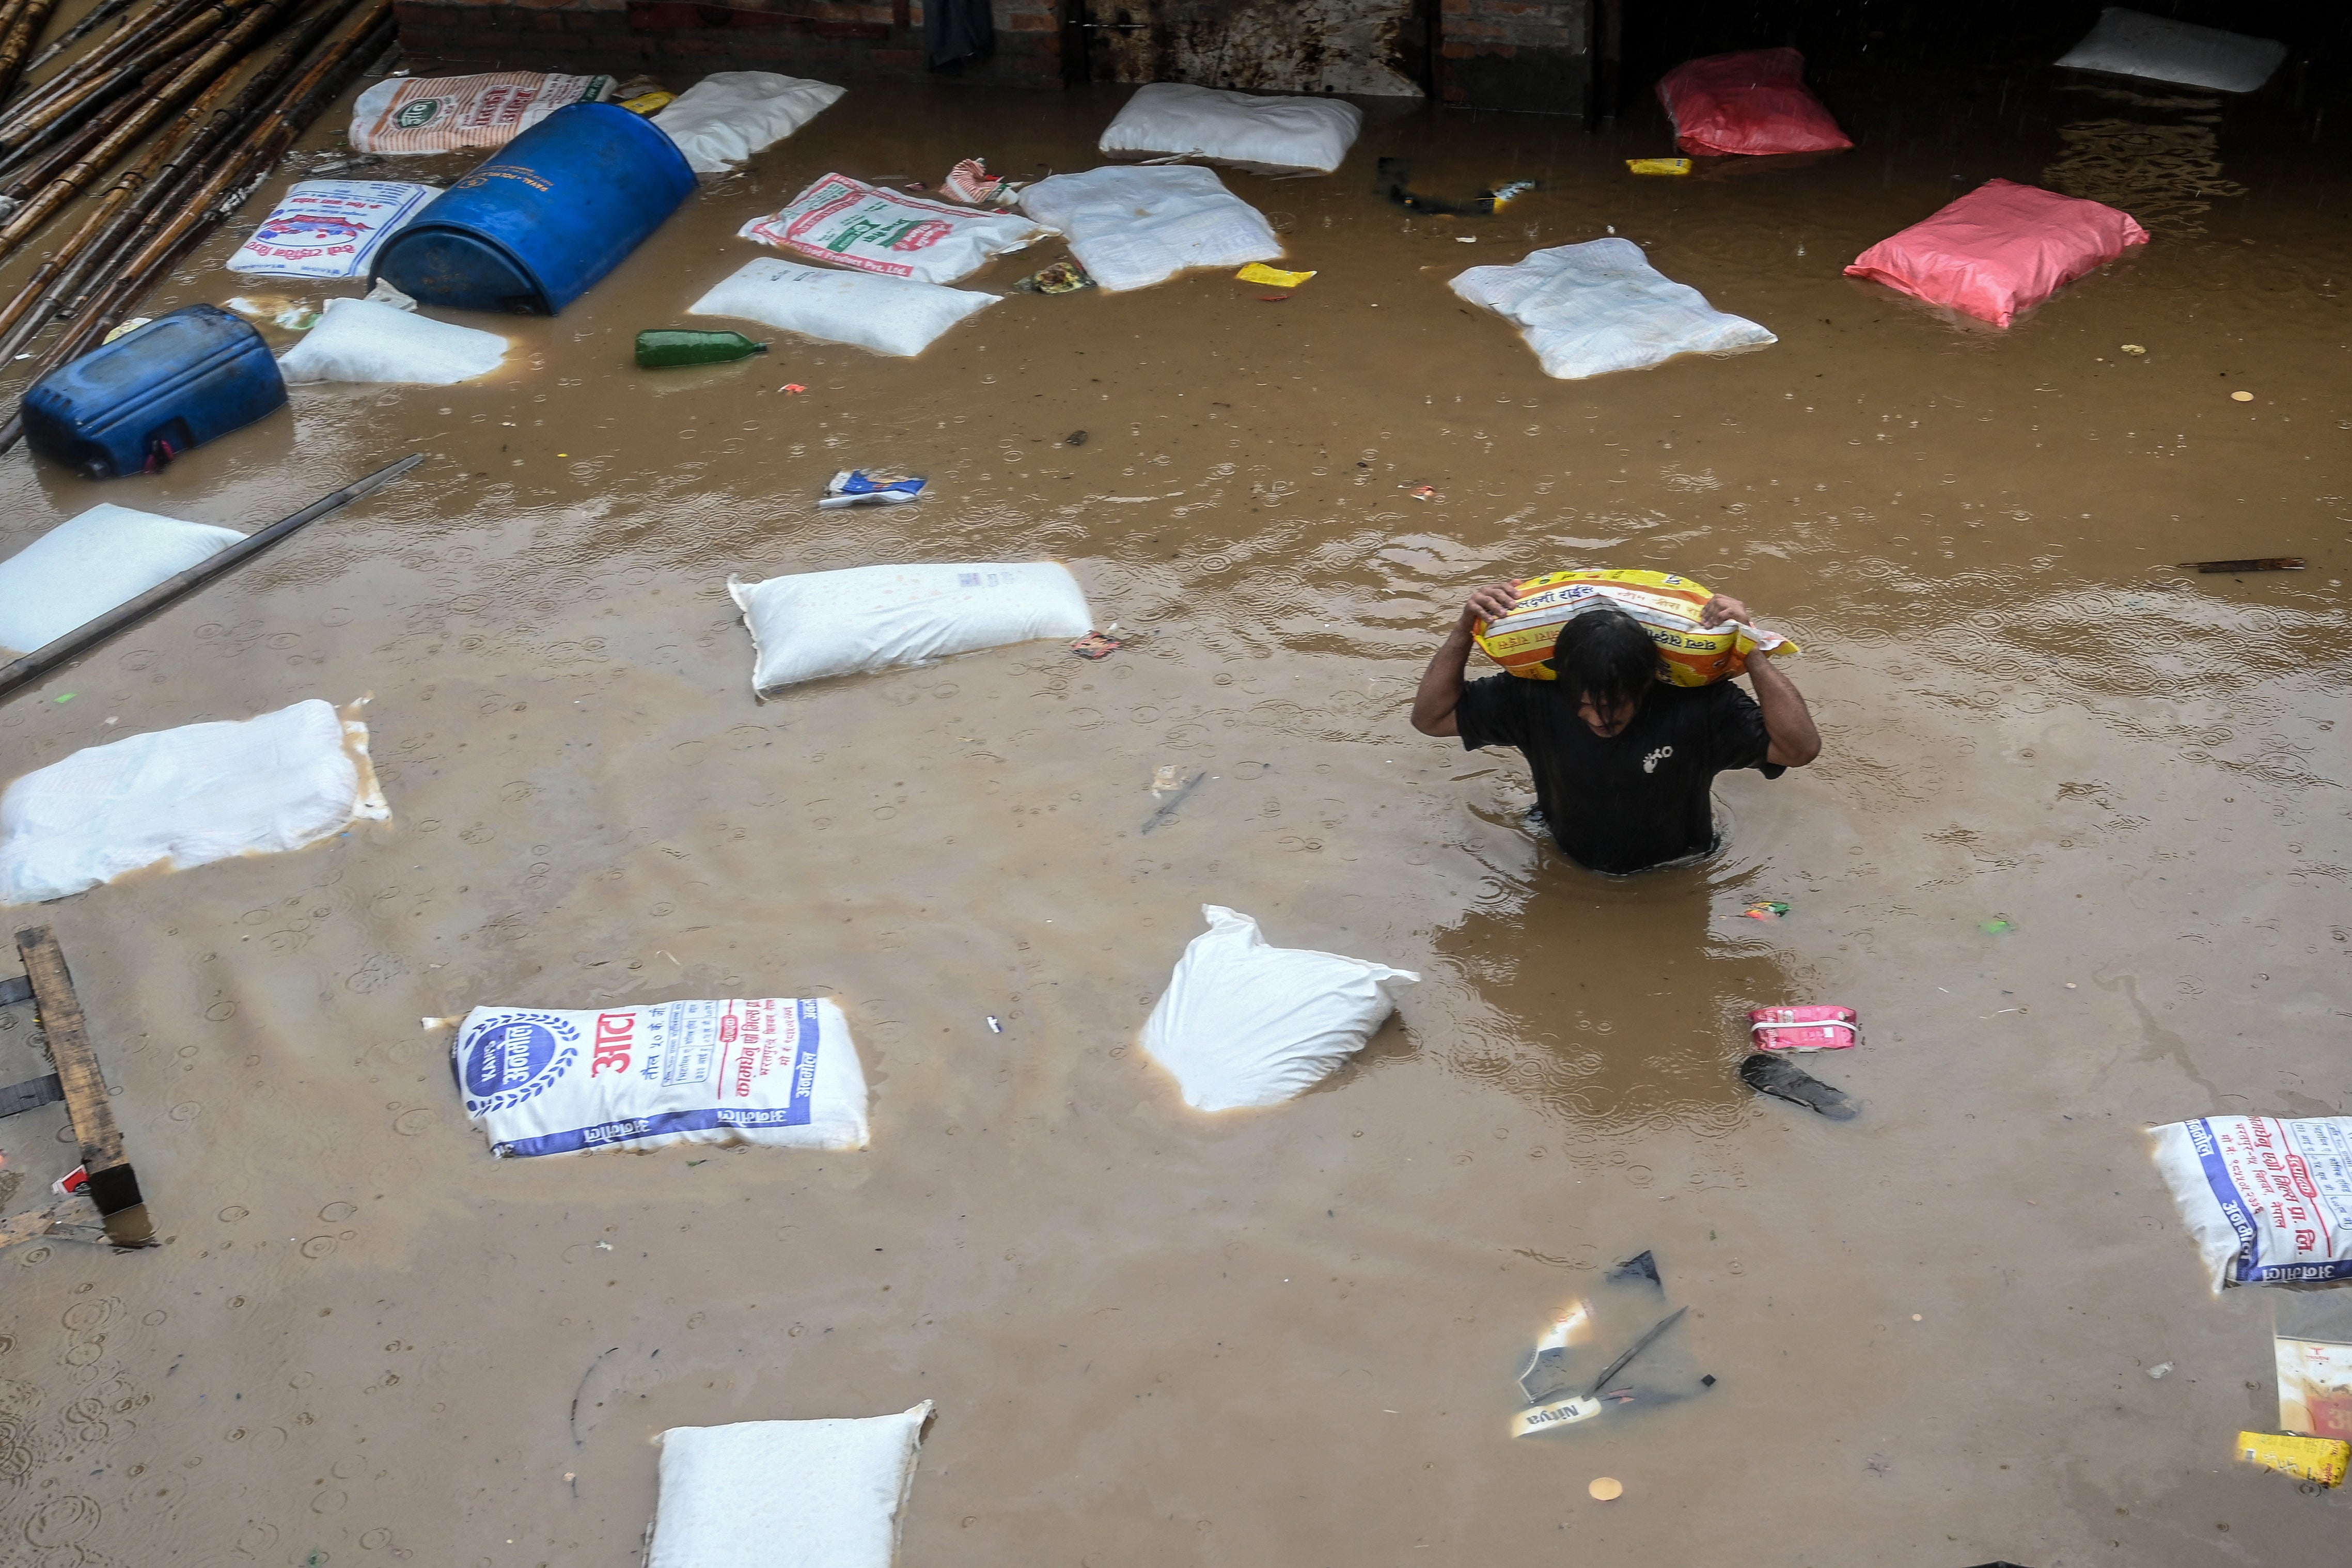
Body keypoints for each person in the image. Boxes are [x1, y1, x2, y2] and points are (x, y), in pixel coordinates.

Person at [1409, 583, 1820, 875]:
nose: (1599, 719)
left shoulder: (1700, 707)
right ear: (1563, 684)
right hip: (1563, 859)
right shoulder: (1533, 697)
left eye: (1616, 704)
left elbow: (1799, 748)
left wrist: (1751, 652)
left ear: (1647, 682)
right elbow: (1431, 718)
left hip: (1680, 869)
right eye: (1584, 705)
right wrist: (1465, 629)